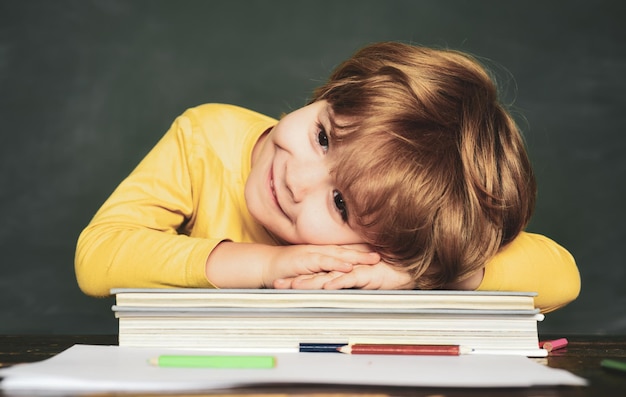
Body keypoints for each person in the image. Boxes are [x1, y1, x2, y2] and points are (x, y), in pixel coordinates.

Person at [75, 42, 580, 313]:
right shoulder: (207, 136)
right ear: (331, 93)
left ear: (377, 244)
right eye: (323, 137)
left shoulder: (396, 253)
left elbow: (562, 277)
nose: (297, 178)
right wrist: (271, 263)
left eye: (340, 204)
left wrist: (419, 270)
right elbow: (98, 256)